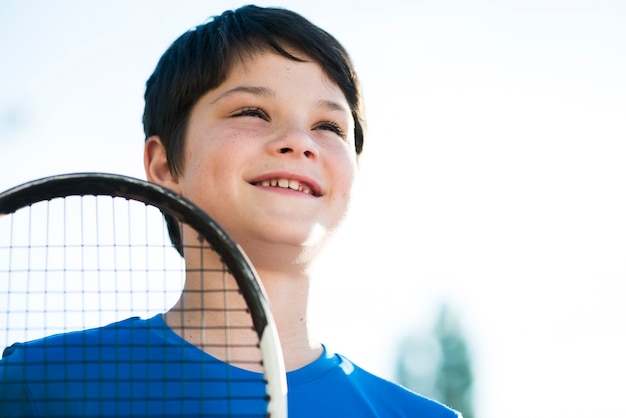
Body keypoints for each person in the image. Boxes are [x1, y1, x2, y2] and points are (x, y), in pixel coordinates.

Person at [0, 5, 461, 417]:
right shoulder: (36, 385)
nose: (299, 141)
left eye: (328, 125)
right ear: (164, 165)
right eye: (252, 112)